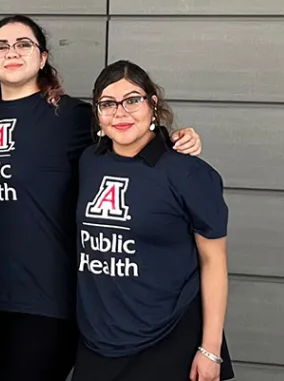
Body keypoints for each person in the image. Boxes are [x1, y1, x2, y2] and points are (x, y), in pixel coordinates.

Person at [0, 15, 204, 381]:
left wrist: (178, 138)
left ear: (42, 58)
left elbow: (131, 137)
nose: (12, 52)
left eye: (23, 44)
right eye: (1, 46)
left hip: (50, 297)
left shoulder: (72, 117)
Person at [72, 60, 232, 381]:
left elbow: (214, 261)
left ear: (152, 104)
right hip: (99, 341)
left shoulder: (188, 172)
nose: (121, 113)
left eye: (132, 100)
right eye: (108, 104)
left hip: (168, 339)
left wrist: (210, 349)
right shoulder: (90, 161)